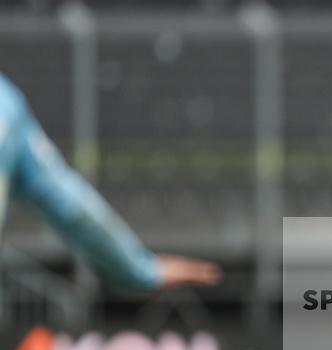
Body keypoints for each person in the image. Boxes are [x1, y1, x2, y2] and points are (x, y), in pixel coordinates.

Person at [0, 71, 220, 293]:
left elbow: (73, 207)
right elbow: (74, 208)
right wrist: (141, 271)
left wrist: (142, 271)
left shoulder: (8, 106)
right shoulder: (7, 104)